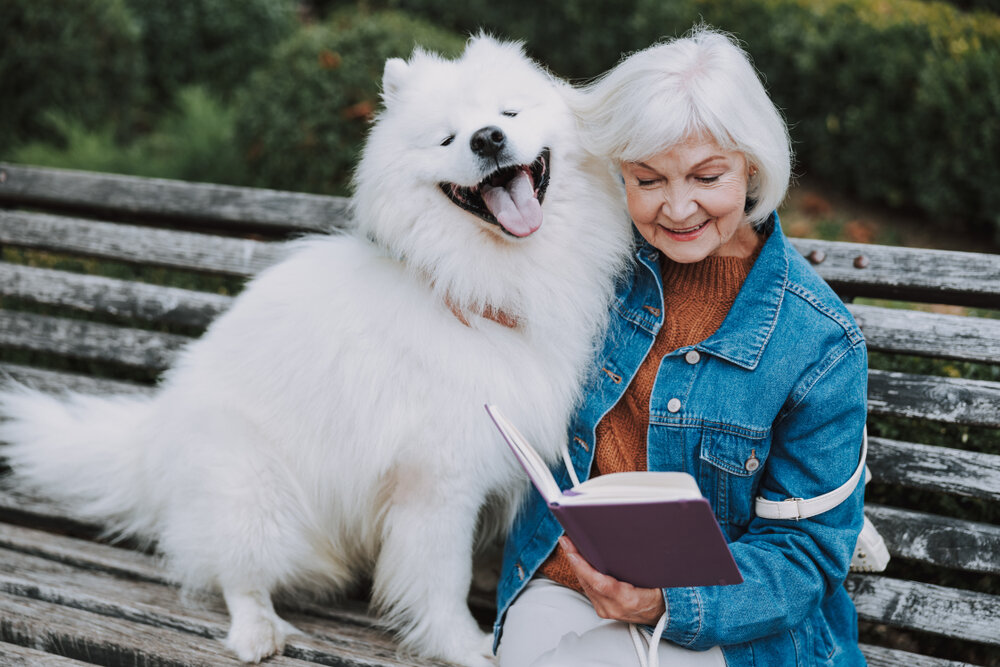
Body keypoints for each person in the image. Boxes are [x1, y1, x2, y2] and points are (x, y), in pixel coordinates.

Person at [493, 26, 869, 667]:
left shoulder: (819, 342)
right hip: (562, 586)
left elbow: (805, 554)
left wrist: (666, 601)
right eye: (648, 179)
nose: (677, 207)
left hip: (726, 626)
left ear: (751, 165)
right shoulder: (588, 268)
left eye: (706, 175)